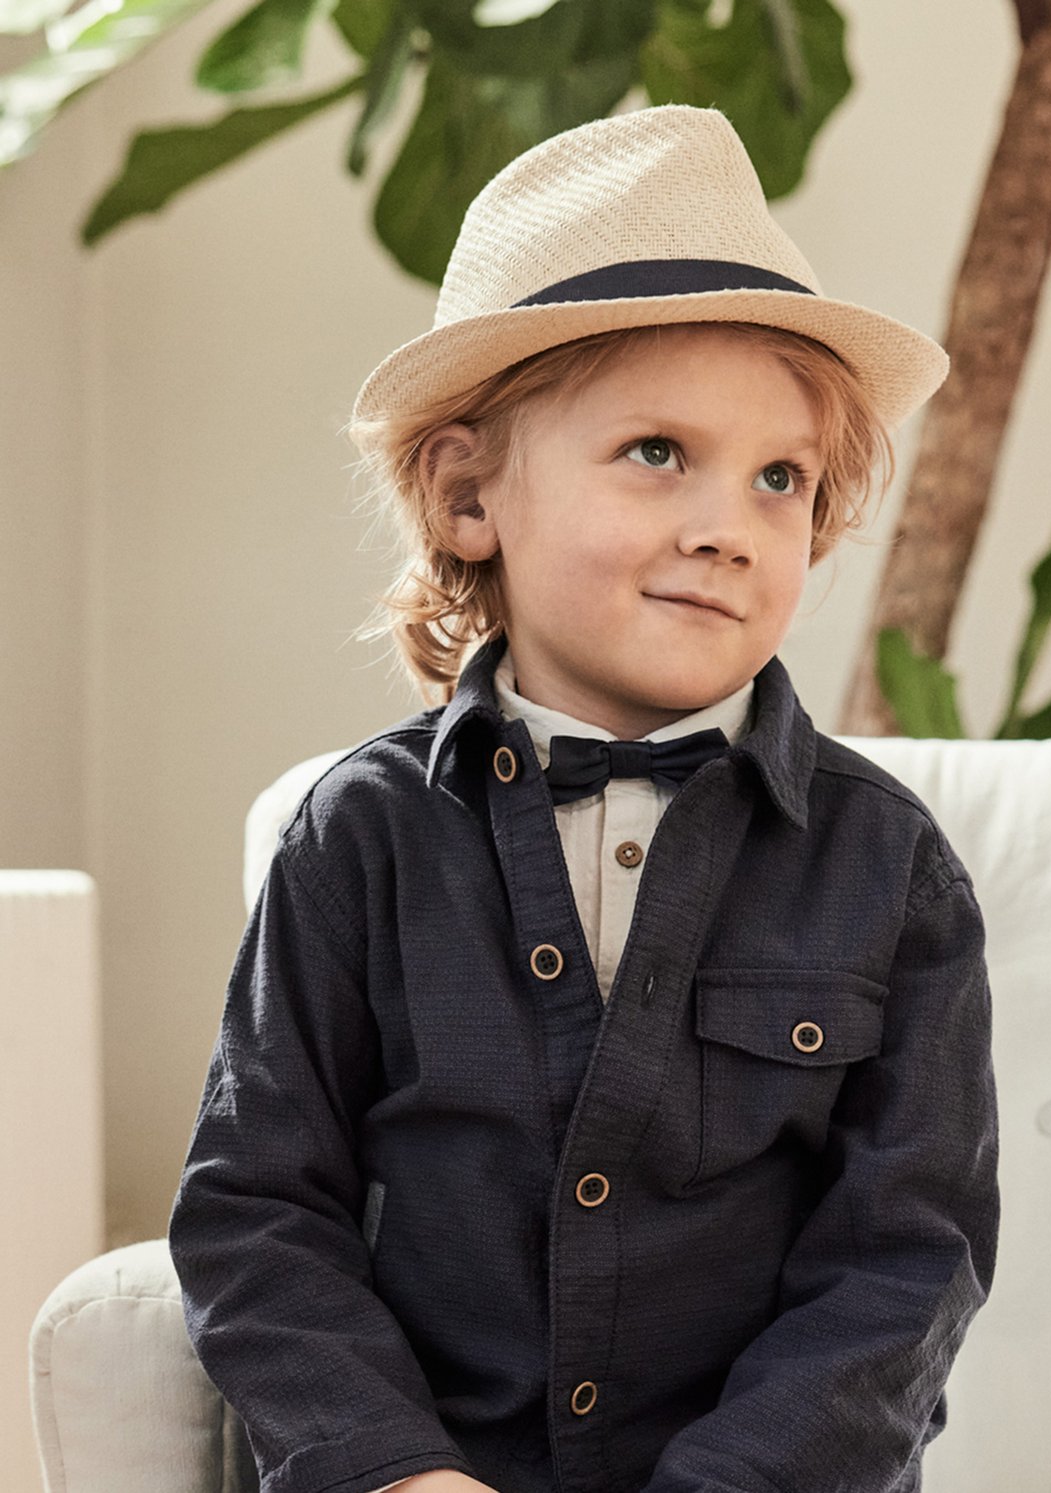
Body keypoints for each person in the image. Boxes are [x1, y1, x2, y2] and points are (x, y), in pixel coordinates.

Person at [168, 103, 1000, 1493]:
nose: (728, 523)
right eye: (658, 451)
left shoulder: (889, 866)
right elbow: (258, 1211)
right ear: (466, 494)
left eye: (780, 477)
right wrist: (393, 1470)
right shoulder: (358, 838)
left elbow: (905, 1258)